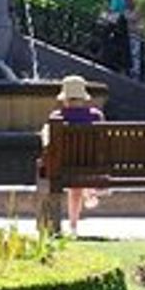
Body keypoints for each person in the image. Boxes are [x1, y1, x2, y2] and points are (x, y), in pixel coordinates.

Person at [45, 75, 105, 234]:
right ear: (83, 98)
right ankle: (88, 192)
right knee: (79, 178)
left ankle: (72, 225)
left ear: (65, 99)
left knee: (73, 183)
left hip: (65, 165)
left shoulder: (57, 117)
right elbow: (102, 143)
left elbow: (48, 143)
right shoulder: (96, 116)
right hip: (89, 165)